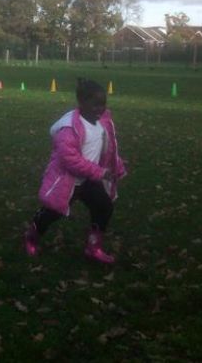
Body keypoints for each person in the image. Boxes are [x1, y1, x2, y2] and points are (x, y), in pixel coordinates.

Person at [24, 78, 127, 264]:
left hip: (88, 180)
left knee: (104, 206)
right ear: (81, 103)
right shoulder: (70, 128)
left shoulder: (102, 124)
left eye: (102, 104)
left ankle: (93, 246)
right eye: (95, 104)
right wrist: (100, 173)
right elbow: (71, 160)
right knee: (53, 212)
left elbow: (108, 150)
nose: (99, 109)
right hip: (67, 181)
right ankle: (33, 234)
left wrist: (115, 166)